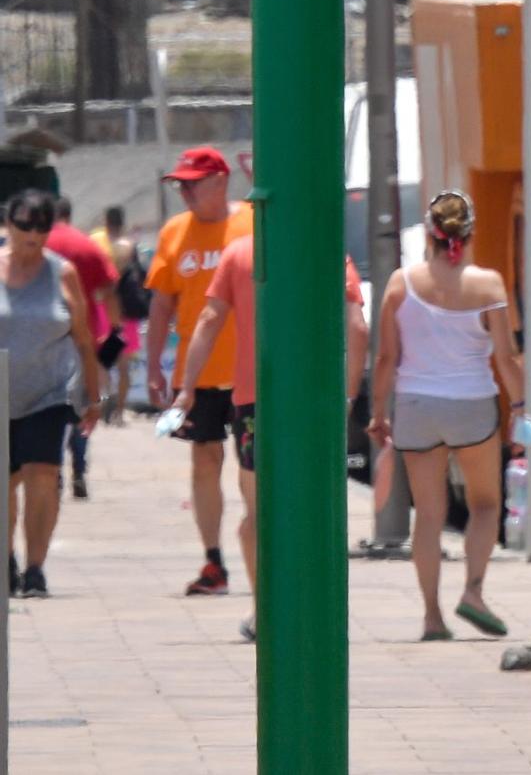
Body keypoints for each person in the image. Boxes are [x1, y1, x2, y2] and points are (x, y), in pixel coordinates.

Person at [175, 233, 366, 642]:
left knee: (258, 514)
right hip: (314, 406)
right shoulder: (327, 247)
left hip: (254, 402)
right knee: (314, 507)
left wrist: (187, 387)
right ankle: (318, 608)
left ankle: (265, 608)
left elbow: (209, 320)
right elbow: (357, 327)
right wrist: (347, 396)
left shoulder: (240, 252)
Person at [367, 192, 522, 642]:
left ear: (429, 235)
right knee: (486, 504)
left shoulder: (400, 285)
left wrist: (379, 413)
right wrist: (519, 408)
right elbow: (507, 358)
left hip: (416, 406)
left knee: (429, 516)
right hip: (472, 403)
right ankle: (473, 591)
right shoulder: (489, 286)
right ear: (467, 235)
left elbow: (385, 360)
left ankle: (432, 617)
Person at [145, 146, 253, 596]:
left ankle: (262, 555)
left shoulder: (251, 222)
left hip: (252, 371)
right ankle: (213, 562)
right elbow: (161, 304)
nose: (185, 192)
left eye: (193, 183)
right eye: (180, 185)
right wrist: (153, 363)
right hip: (200, 375)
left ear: (221, 180)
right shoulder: (174, 233)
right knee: (205, 462)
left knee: (254, 472)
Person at [0, 191, 101, 597]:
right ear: (7, 224)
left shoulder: (63, 273)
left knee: (43, 474)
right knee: (5, 484)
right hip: (1, 393)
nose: (34, 234)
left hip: (48, 394)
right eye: (25, 224)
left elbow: (83, 339)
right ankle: (6, 559)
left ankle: (36, 568)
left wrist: (93, 398)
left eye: (43, 226)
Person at [43, 197, 116, 501]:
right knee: (82, 409)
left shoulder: (39, 245)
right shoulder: (85, 245)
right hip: (83, 339)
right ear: (70, 215)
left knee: (46, 409)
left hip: (44, 340)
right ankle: (79, 471)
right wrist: (114, 335)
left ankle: (52, 470)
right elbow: (110, 289)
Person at [92, 205, 145, 425]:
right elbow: (139, 274)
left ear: (106, 220)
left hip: (103, 308)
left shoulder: (98, 243)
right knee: (124, 365)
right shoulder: (130, 246)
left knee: (102, 360)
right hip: (126, 311)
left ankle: (105, 396)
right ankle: (120, 412)